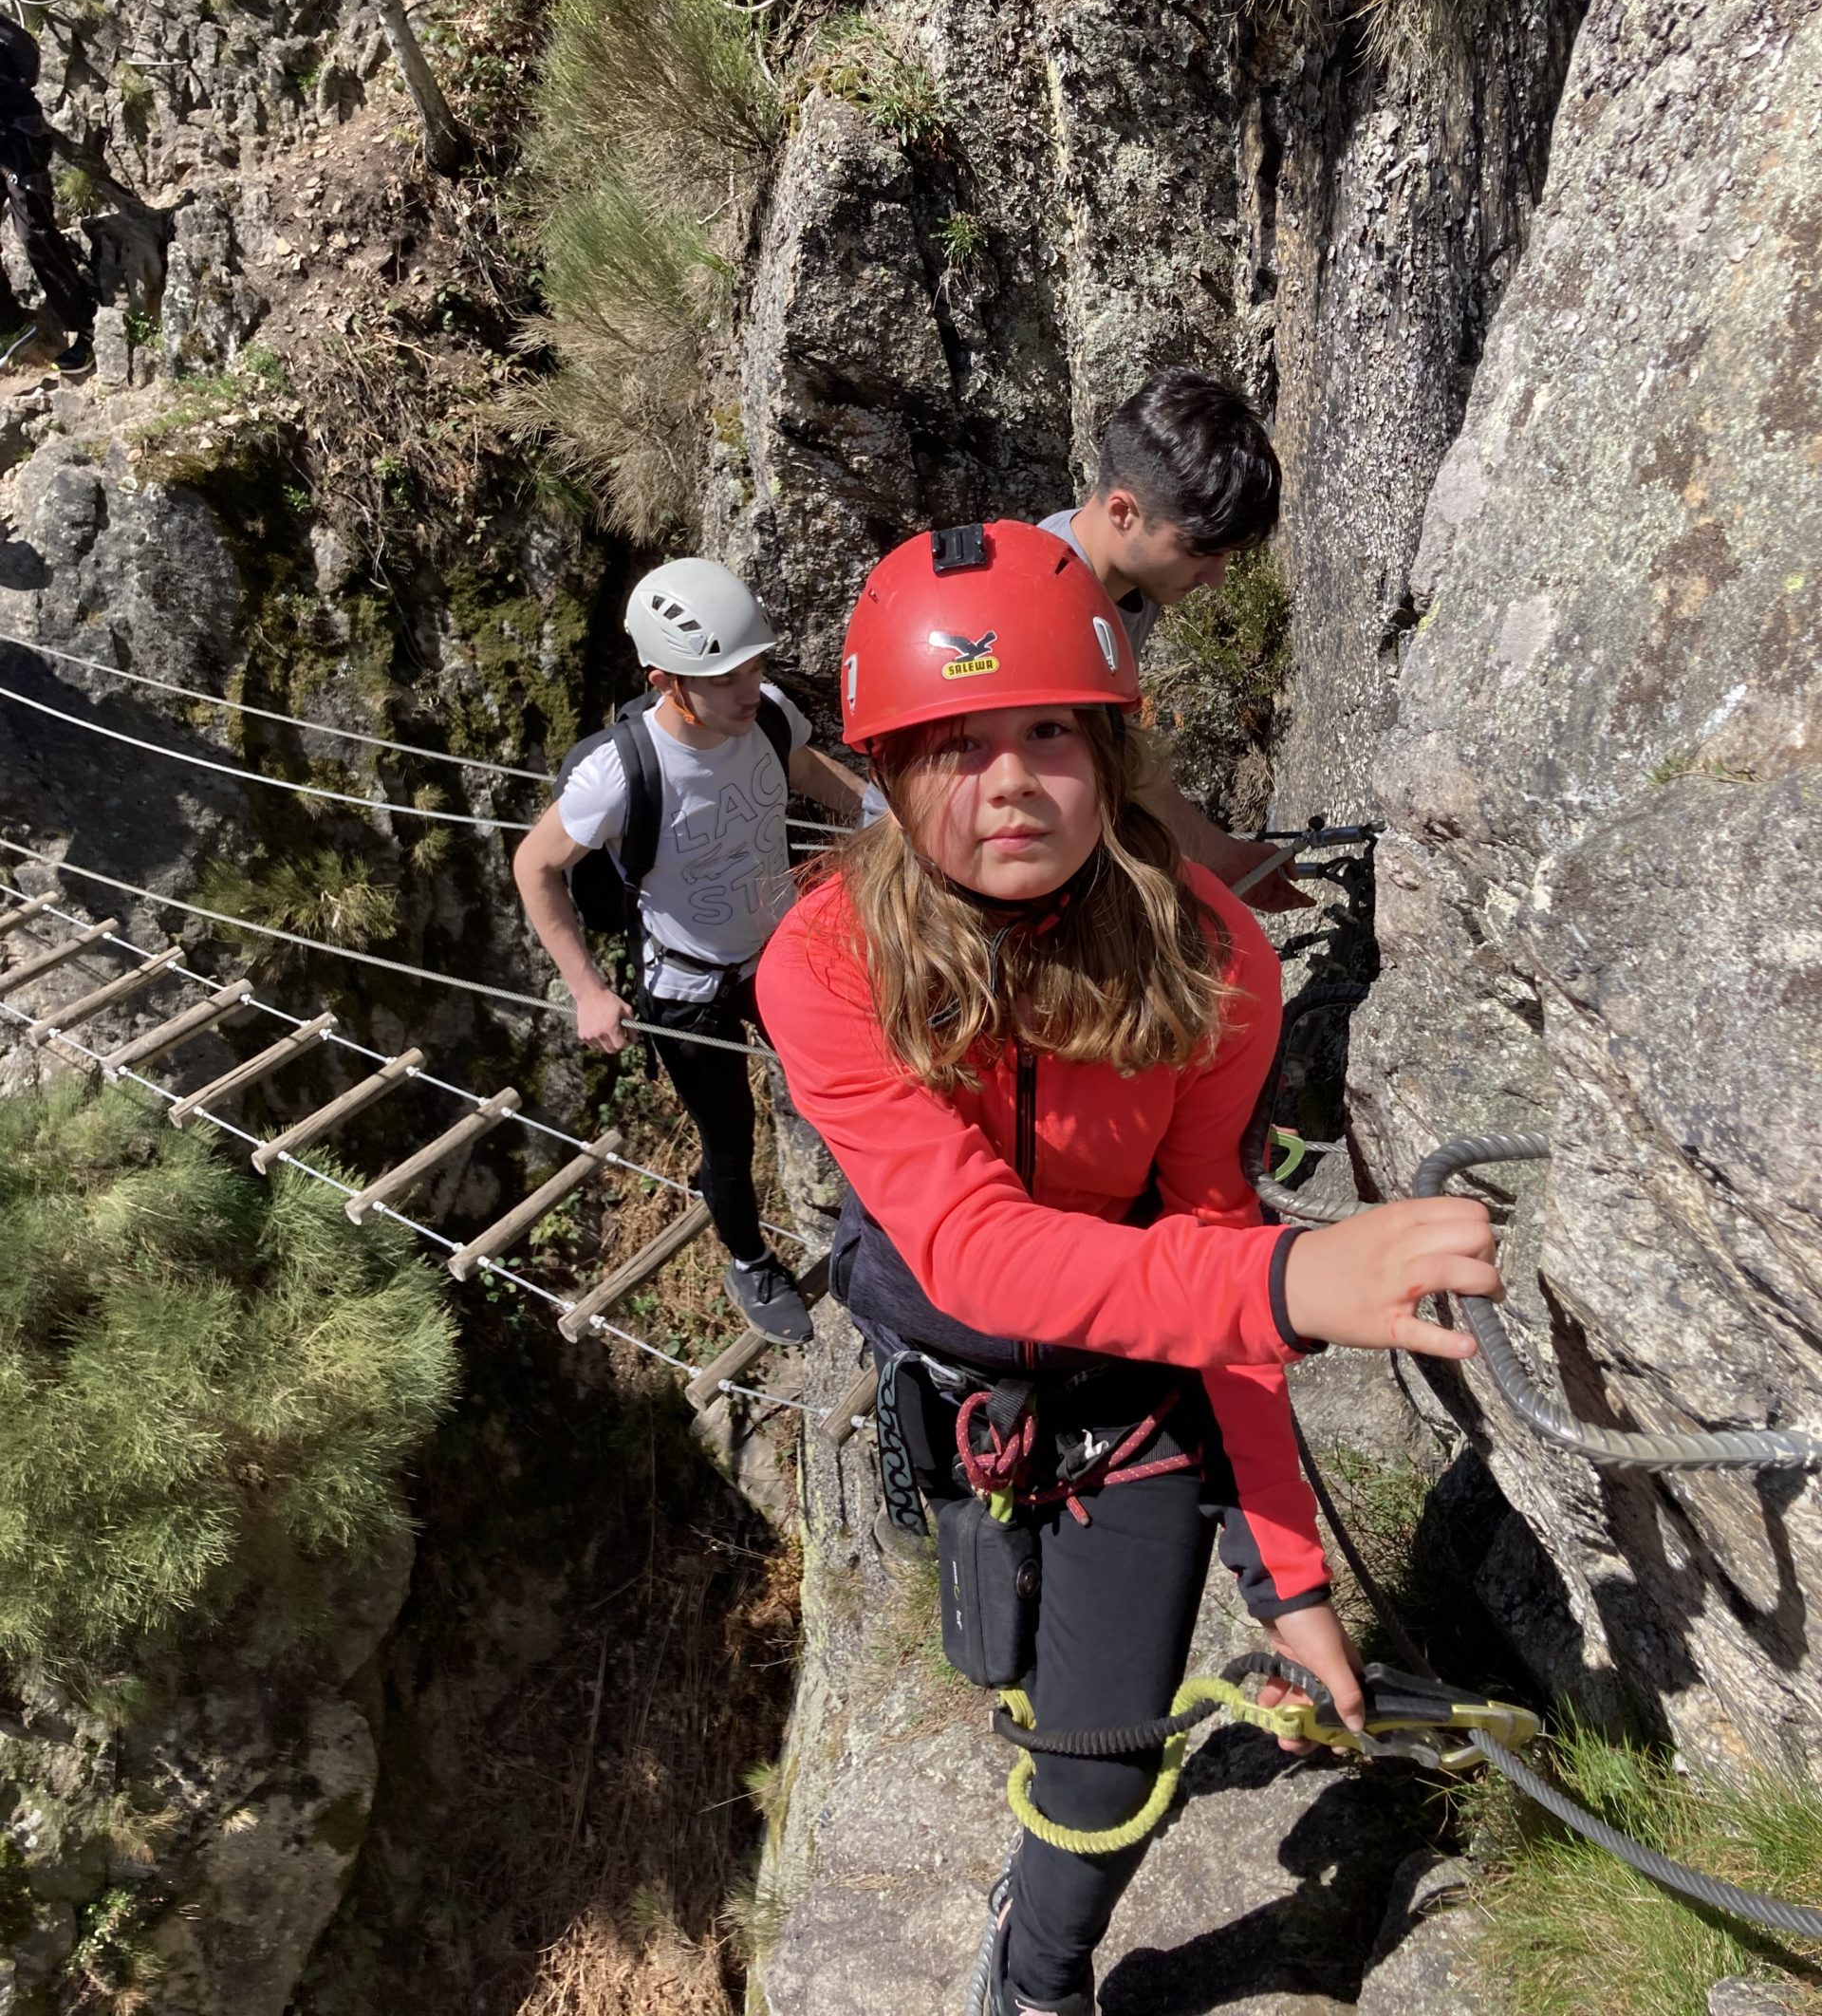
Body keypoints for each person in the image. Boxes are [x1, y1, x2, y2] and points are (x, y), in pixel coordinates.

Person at [756, 520, 1498, 2016]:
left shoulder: (1214, 956)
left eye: (1049, 734)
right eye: (952, 745)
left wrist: (1286, 1575)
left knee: (1099, 1768)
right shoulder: (826, 964)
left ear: (1109, 751)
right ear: (886, 775)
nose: (1010, 783)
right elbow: (973, 1250)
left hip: (1126, 1394)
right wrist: (1292, 1285)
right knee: (1006, 1661)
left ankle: (1035, 1981)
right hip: (957, 1378)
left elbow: (1206, 1224)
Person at [513, 557, 866, 1343]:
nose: (750, 689)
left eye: (755, 668)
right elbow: (534, 865)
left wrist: (880, 816)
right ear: (665, 681)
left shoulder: (765, 716)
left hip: (782, 953)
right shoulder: (617, 774)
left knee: (849, 1079)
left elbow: (803, 767)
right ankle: (749, 1261)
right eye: (725, 678)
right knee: (729, 1136)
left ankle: (884, 1218)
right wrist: (587, 990)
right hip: (687, 985)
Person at [1040, 364, 1307, 910]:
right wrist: (1222, 858)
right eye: (1198, 552)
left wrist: (1224, 857)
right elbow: (1116, 763)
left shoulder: (1121, 578)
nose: (1216, 579)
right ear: (1123, 513)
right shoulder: (1049, 606)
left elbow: (1120, 751)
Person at [0, 14, 97, 381]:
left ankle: (87, 329)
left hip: (18, 139)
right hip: (9, 138)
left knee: (34, 234)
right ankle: (11, 325)